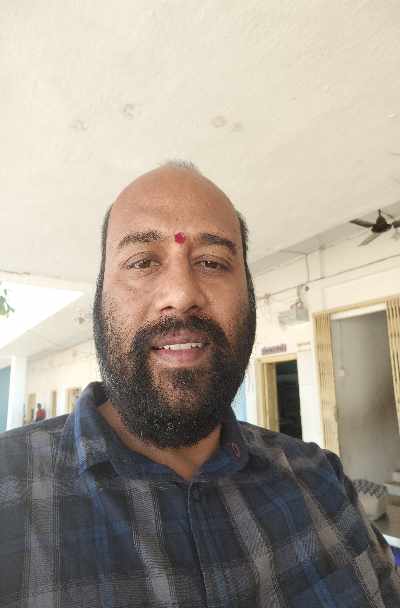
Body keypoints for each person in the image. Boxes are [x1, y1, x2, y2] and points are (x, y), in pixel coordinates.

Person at [0, 162, 399, 608]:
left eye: (212, 262)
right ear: (98, 298)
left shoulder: (322, 484)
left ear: (249, 294)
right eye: (143, 262)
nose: (182, 293)